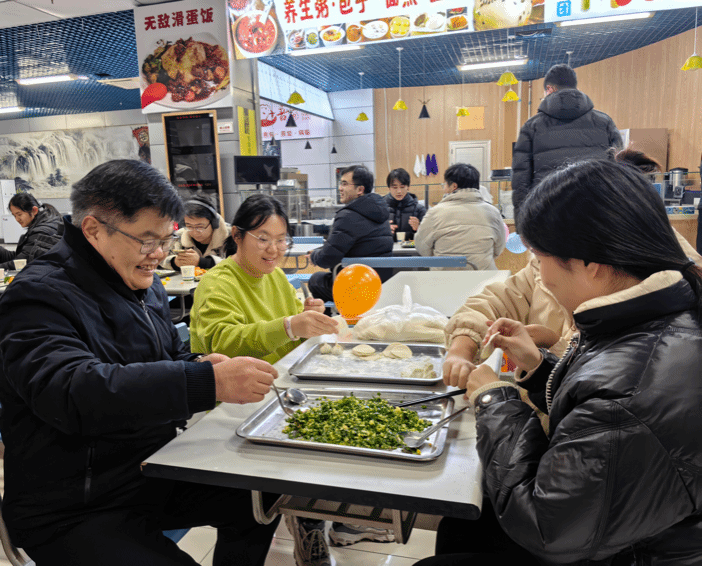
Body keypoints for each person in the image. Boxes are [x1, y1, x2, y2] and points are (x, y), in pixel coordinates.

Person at [415, 159, 702, 566]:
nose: (541, 276)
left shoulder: (632, 389)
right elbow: (599, 411)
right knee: (463, 526)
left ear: (591, 265)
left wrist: (494, 400)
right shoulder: (657, 308)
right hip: (619, 526)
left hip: (625, 551)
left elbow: (547, 528)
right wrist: (541, 369)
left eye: (540, 257)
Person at [0, 159, 281, 566]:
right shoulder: (37, 295)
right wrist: (205, 381)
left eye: (166, 240)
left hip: (148, 471)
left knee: (262, 493)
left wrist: (201, 362)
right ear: (93, 229)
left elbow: (163, 357)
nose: (160, 254)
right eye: (147, 241)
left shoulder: (141, 283)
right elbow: (72, 391)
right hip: (73, 505)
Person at [190, 193, 341, 566]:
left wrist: (308, 321)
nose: (274, 250)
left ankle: (310, 519)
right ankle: (305, 518)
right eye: (263, 238)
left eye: (281, 240)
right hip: (233, 406)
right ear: (237, 236)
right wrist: (290, 325)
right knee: (252, 510)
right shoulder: (217, 282)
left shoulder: (275, 277)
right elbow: (222, 342)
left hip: (280, 397)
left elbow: (290, 341)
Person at [511, 63, 622, 216]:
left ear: (549, 89)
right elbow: (620, 171)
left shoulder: (531, 127)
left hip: (548, 213)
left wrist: (522, 221)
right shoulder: (605, 122)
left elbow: (521, 181)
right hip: (597, 211)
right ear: (575, 87)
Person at [308, 165, 393, 302]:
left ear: (360, 190)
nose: (340, 188)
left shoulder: (348, 216)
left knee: (316, 280)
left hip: (356, 288)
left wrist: (314, 256)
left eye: (344, 184)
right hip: (379, 284)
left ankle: (336, 315)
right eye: (340, 183)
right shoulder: (381, 214)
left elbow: (328, 258)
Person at [414, 163, 505, 270]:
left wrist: (439, 260)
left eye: (445, 184)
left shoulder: (435, 212)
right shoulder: (493, 212)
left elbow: (421, 246)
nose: (444, 188)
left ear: (454, 186)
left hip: (444, 276)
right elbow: (499, 247)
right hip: (482, 275)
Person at [161, 194, 233, 272]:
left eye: (200, 227)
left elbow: (237, 265)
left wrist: (202, 262)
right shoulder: (178, 236)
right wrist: (174, 262)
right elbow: (158, 259)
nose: (195, 232)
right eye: (189, 226)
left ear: (214, 223)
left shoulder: (233, 236)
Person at [0, 192, 62, 270]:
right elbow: (22, 256)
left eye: (19, 214)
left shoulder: (41, 232)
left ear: (34, 210)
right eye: (14, 215)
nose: (17, 219)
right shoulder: (46, 220)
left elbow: (21, 263)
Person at [383, 168, 427, 241]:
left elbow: (428, 236)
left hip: (411, 248)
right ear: (389, 188)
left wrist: (419, 228)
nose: (399, 191)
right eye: (395, 187)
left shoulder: (419, 209)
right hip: (387, 247)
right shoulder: (380, 208)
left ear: (408, 187)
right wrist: (381, 230)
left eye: (402, 187)